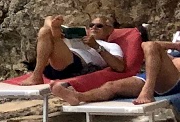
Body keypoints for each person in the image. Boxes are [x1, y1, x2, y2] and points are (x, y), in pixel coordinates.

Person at [51, 37, 180, 106]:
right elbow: (151, 45)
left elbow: (153, 45)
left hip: (173, 79)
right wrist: (175, 46)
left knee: (150, 45)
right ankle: (78, 97)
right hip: (148, 76)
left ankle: (147, 91)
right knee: (111, 86)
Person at [19, 15, 126, 85]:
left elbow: (120, 67)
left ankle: (37, 75)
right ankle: (54, 30)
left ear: (109, 30)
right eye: (91, 25)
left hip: (74, 65)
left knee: (44, 31)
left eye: (99, 26)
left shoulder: (112, 46)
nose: (93, 28)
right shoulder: (82, 38)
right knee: (47, 24)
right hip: (53, 63)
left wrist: (96, 46)